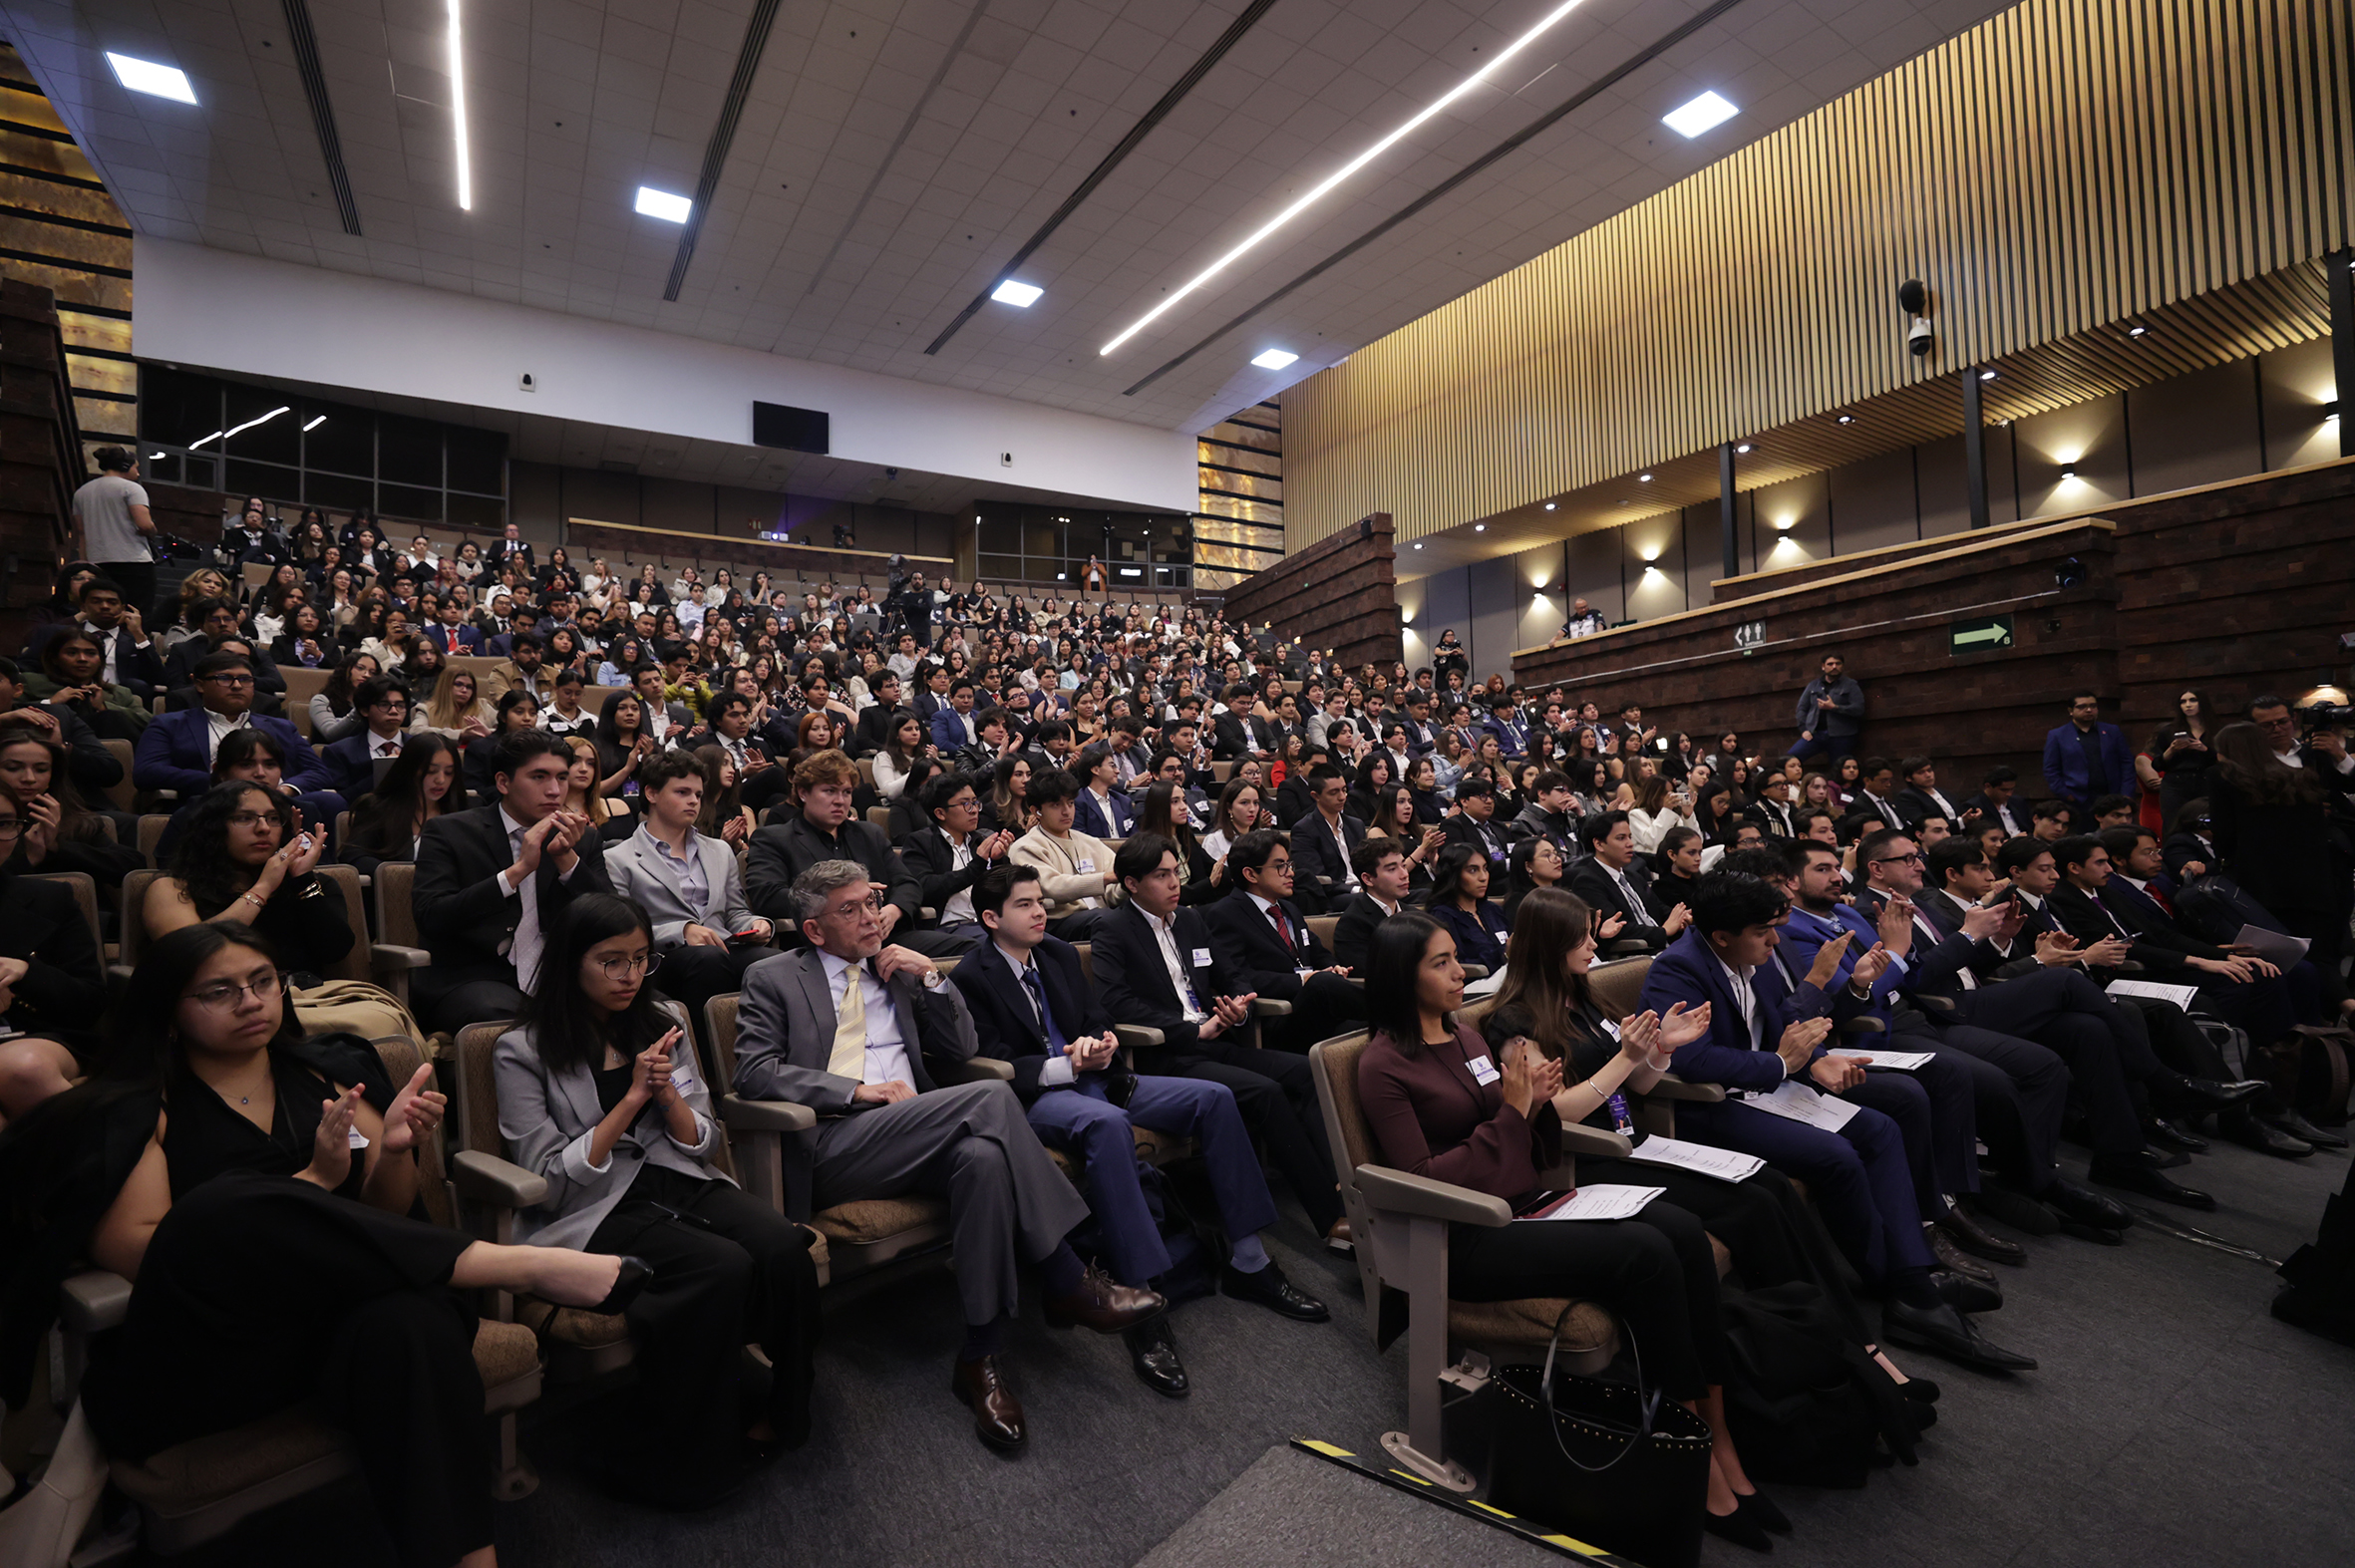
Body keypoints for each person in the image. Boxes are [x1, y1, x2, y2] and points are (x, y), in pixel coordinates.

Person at [0, 923, 645, 1568]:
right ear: (168, 1009)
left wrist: (395, 1153)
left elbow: (387, 1213)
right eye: (219, 991)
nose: (250, 1001)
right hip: (221, 1347)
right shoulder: (139, 1103)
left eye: (262, 982)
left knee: (412, 1322)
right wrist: (311, 1182)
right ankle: (514, 1265)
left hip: (335, 1324)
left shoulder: (326, 1073)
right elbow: (146, 1250)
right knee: (219, 1203)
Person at [1355, 911, 1787, 1547]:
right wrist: (1515, 1111)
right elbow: (1422, 1175)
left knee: (1679, 1230)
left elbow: (1514, 1129)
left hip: (1522, 1199)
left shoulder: (1466, 1037)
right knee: (1644, 1252)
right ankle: (1687, 1458)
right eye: (1440, 963)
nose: (1460, 972)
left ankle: (1716, 1436)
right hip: (1464, 1233)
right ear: (1402, 976)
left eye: (1455, 958)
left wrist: (1530, 1106)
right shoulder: (1383, 1064)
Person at [730, 857, 1163, 1452]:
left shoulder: (895, 966)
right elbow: (754, 1074)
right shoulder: (773, 977)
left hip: (922, 1132)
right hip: (836, 1142)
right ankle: (1065, 1274)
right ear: (813, 930)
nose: (870, 917)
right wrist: (854, 1091)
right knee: (990, 1098)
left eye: (870, 901)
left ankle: (981, 1356)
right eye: (849, 910)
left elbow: (961, 1048)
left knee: (984, 1160)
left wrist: (932, 977)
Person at [952, 862, 1326, 1396]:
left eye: (1040, 901)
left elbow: (1095, 1018)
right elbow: (993, 1060)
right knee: (1108, 1124)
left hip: (1103, 1078)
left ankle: (1251, 1262)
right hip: (1039, 1099)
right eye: (1025, 905)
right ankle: (1143, 1302)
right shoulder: (972, 974)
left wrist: (1102, 1042)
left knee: (1215, 1098)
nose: (1040, 912)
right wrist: (1064, 1065)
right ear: (991, 918)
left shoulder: (1058, 953)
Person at [1638, 871, 2031, 1372]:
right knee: (1836, 1156)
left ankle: (1911, 1276)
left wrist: (1814, 1057)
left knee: (1880, 1128)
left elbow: (1782, 1016)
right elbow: (1690, 1060)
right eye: (1762, 932)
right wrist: (1780, 1064)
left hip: (1768, 1088)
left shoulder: (1750, 955)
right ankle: (1907, 1289)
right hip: (1710, 1105)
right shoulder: (1677, 969)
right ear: (1721, 936)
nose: (1774, 941)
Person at [494, 893, 817, 1503]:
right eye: (612, 961)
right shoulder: (523, 1049)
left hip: (674, 1175)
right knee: (721, 1267)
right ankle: (684, 1461)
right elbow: (547, 1178)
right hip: (591, 1206)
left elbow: (704, 1141)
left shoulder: (663, 1019)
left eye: (641, 959)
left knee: (781, 1245)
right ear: (570, 962)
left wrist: (668, 1098)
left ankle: (787, 1411)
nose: (630, 976)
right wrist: (633, 1100)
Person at [1092, 834, 1351, 1252]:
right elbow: (1115, 1001)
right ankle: (1330, 1218)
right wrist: (1192, 1030)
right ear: (1132, 884)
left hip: (1216, 1040)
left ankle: (1344, 1189)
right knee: (1265, 1092)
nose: (1174, 883)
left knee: (1307, 1070)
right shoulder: (1113, 928)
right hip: (1166, 1054)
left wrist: (1239, 1006)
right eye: (1161, 876)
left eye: (1175, 873)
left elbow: (1232, 974)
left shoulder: (1191, 920)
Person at [411, 730, 611, 1033]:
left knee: (655, 1010)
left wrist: (568, 862)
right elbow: (432, 916)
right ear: (503, 782)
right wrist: (516, 872)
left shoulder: (581, 838)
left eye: (561, 778)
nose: (555, 790)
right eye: (539, 777)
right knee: (511, 1018)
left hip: (559, 976)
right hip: (474, 977)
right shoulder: (450, 831)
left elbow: (612, 920)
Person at [603, 751, 774, 1019]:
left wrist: (755, 924)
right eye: (682, 792)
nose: (694, 801)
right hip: (660, 958)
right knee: (707, 960)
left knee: (775, 963)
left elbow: (734, 913)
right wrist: (682, 931)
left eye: (698, 794)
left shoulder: (719, 850)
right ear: (651, 794)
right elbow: (623, 931)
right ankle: (705, 1046)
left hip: (722, 947)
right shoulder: (618, 858)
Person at [2204, 721, 2354, 1019]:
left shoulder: (2222, 777)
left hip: (2262, 886)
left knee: (2279, 960)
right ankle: (2341, 1011)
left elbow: (2224, 835)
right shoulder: (2300, 777)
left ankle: (2304, 1030)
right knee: (2321, 956)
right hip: (2316, 883)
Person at [1200, 828, 1369, 1052]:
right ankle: (1400, 1012)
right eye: (1280, 866)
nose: (1290, 873)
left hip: (1317, 1010)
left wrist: (1333, 966)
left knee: (1374, 1030)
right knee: (1322, 984)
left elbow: (1317, 952)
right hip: (1277, 1018)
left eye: (1289, 865)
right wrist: (1303, 980)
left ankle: (1396, 1017)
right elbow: (1240, 976)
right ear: (1251, 874)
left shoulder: (1289, 908)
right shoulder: (1225, 914)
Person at [136, 650, 343, 826]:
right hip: (213, 803)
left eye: (245, 679)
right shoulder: (170, 724)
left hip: (278, 802)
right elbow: (146, 771)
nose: (237, 686)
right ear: (200, 685)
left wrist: (285, 789)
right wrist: (221, 782)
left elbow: (318, 771)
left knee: (329, 801)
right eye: (225, 678)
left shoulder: (282, 727)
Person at [1007, 767, 1117, 941]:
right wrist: (1105, 878)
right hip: (1058, 922)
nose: (1066, 811)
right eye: (1056, 805)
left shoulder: (1090, 842)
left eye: (1070, 803)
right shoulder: (1026, 847)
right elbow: (1052, 887)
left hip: (1099, 915)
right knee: (1108, 919)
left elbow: (1114, 890)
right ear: (1036, 811)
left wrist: (1131, 882)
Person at [340, 733, 466, 880]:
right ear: (410, 769)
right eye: (431, 771)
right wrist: (399, 875)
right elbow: (353, 856)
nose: (441, 780)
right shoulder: (378, 807)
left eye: (449, 772)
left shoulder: (466, 809)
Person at [1567, 809, 1691, 952]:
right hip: (1637, 953)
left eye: (1630, 837)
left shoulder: (1633, 876)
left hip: (1664, 947)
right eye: (1621, 838)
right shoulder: (1588, 882)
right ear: (1599, 844)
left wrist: (1682, 917)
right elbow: (1617, 926)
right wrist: (1663, 932)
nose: (1630, 844)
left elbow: (1658, 908)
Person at [69, 447, 157, 624]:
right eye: (136, 467)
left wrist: (86, 563)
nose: (138, 473)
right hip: (133, 561)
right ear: (125, 466)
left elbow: (81, 532)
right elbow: (144, 524)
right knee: (135, 613)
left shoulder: (81, 492)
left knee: (101, 613)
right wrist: (153, 531)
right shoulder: (131, 488)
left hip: (98, 562)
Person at [2042, 691, 2135, 809]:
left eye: (2093, 706)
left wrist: (2126, 793)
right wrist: (2066, 795)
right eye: (2082, 707)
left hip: (2112, 797)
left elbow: (2127, 762)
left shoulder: (2112, 731)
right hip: (2078, 799)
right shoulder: (2058, 735)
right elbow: (2051, 769)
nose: (2089, 710)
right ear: (2070, 711)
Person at [1426, 842, 1510, 970]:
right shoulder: (1442, 916)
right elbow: (1454, 965)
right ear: (1453, 875)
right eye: (1473, 870)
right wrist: (1504, 954)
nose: (1483, 877)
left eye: (1485, 869)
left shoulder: (1493, 910)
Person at [1789, 652, 1862, 762]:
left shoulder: (1851, 685)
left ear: (1842, 666)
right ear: (1823, 666)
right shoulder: (1813, 685)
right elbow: (1801, 709)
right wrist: (1804, 729)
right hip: (1815, 734)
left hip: (1841, 735)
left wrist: (1834, 707)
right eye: (1830, 664)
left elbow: (1858, 709)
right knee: (1789, 759)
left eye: (1838, 663)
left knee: (1839, 767)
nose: (1834, 667)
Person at [1502, 832, 1566, 927]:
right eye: (1547, 855)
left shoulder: (1563, 896)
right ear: (1528, 866)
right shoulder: (1520, 904)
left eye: (1556, 854)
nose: (1558, 860)